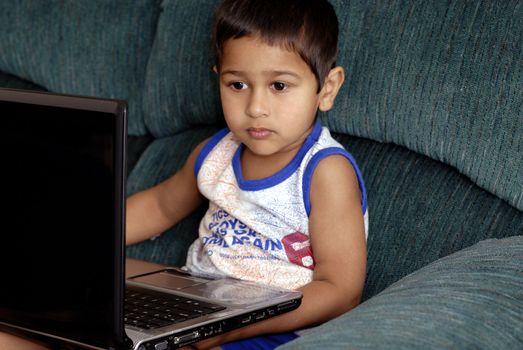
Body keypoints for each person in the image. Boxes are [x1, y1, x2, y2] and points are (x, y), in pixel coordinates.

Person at [0, 0, 368, 349]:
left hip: (275, 320)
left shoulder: (324, 171)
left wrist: (231, 325)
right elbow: (160, 206)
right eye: (237, 84)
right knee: (75, 282)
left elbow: (340, 289)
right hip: (198, 295)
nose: (256, 108)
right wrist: (86, 237)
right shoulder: (216, 152)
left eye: (279, 86)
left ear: (327, 89)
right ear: (219, 78)